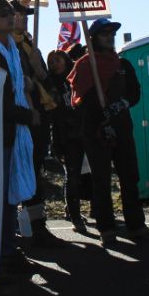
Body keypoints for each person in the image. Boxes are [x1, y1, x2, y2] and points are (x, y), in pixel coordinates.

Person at [69, 18, 149, 244]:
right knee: (101, 180)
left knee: (129, 176)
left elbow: (135, 92)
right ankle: (106, 228)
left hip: (122, 127)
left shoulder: (123, 65)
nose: (109, 37)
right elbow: (78, 101)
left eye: (111, 33)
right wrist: (99, 114)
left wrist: (122, 103)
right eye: (104, 33)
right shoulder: (85, 65)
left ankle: (136, 225)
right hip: (96, 130)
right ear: (93, 38)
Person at [0, 0, 42, 268]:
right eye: (2, 13)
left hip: (14, 131)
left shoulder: (14, 49)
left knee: (9, 197)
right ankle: (2, 254)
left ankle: (9, 247)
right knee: (0, 197)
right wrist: (28, 115)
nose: (10, 17)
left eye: (10, 13)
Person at [8, 0, 63, 248]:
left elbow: (42, 74)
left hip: (39, 114)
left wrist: (49, 87)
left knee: (36, 168)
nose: (24, 19)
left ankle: (38, 225)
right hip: (23, 115)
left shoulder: (30, 45)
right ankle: (24, 227)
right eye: (19, 15)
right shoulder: (7, 45)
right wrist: (27, 82)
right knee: (24, 169)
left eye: (25, 15)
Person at [45, 49, 87, 231]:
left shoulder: (77, 76)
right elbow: (53, 116)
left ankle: (88, 211)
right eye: (51, 62)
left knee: (90, 175)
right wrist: (56, 143)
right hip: (67, 136)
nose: (55, 64)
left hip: (86, 131)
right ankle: (75, 216)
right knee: (73, 176)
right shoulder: (51, 85)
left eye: (57, 60)